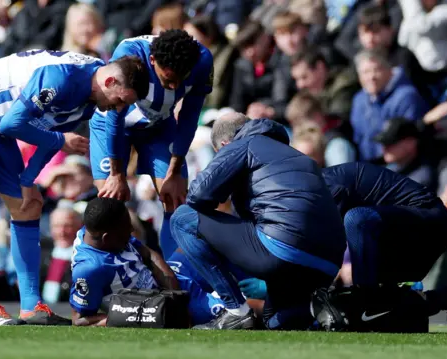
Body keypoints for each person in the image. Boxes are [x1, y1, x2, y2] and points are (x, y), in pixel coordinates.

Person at [0, 49, 149, 326]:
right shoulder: (62, 79)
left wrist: (28, 180)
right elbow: (15, 124)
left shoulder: (91, 97)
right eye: (120, 101)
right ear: (110, 83)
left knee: (28, 206)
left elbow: (46, 129)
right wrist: (60, 142)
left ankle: (32, 306)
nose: (118, 108)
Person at [170, 112, 347, 330]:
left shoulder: (243, 144)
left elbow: (198, 195)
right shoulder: (294, 154)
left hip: (284, 250)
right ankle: (321, 307)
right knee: (274, 322)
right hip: (328, 264)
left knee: (182, 218)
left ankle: (236, 311)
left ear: (224, 145)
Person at [89, 30, 213, 259]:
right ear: (152, 61)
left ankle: (178, 277)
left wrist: (175, 170)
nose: (175, 87)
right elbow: (115, 117)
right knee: (109, 205)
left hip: (158, 126)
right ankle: (116, 275)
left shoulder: (202, 60)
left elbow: (189, 117)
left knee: (175, 202)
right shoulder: (128, 54)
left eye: (180, 79)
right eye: (168, 79)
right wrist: (117, 174)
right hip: (114, 125)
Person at [319, 162, 447, 334]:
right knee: (387, 312)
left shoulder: (325, 185)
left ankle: (364, 306)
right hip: (395, 231)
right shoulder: (314, 184)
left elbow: (326, 250)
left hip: (429, 224)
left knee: (357, 219)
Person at [69, 197, 226, 327]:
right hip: (159, 303)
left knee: (210, 242)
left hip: (171, 281)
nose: (131, 230)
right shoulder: (90, 269)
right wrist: (133, 316)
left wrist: (176, 295)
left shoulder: (96, 230)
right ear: (107, 238)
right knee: (238, 313)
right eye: (126, 229)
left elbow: (149, 254)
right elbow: (80, 319)